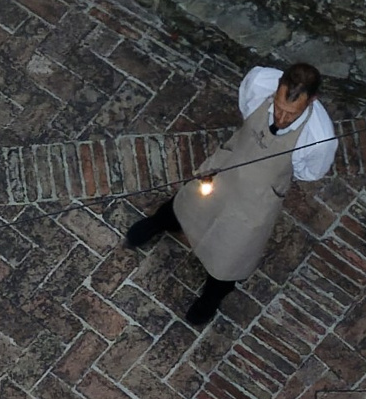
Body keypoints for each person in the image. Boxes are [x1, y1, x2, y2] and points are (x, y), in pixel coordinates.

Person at [118, 58, 337, 327]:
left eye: (291, 114)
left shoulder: (320, 139)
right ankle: (160, 222)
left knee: (234, 251)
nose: (281, 118)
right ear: (277, 86)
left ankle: (212, 297)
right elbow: (247, 110)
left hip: (258, 199)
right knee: (190, 201)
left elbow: (308, 172)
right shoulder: (258, 83)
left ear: (312, 100)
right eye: (278, 108)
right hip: (226, 167)